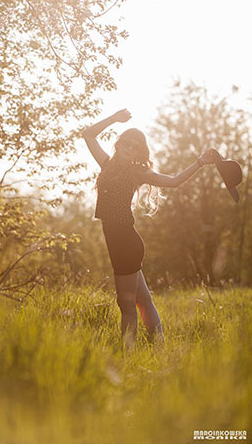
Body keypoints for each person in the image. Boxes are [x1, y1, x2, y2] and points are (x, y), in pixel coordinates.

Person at [83, 108, 216, 350]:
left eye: (135, 145)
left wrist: (200, 162)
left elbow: (174, 181)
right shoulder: (107, 165)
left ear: (139, 151)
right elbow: (88, 135)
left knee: (126, 304)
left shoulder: (137, 172)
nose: (130, 146)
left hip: (126, 243)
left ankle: (127, 356)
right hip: (118, 242)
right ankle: (160, 348)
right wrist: (114, 118)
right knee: (143, 300)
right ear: (120, 143)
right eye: (127, 142)